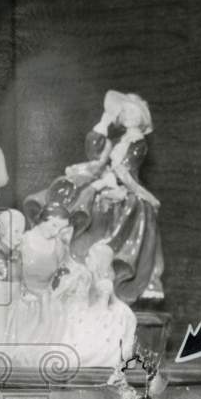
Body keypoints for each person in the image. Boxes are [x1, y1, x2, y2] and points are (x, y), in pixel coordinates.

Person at [23, 90, 164, 304]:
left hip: (124, 185)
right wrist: (104, 123)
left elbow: (125, 173)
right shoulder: (118, 139)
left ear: (142, 118)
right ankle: (58, 242)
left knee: (133, 207)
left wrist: (145, 195)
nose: (127, 116)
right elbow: (97, 156)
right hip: (108, 177)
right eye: (124, 112)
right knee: (73, 187)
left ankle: (115, 270)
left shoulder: (138, 143)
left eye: (133, 113)